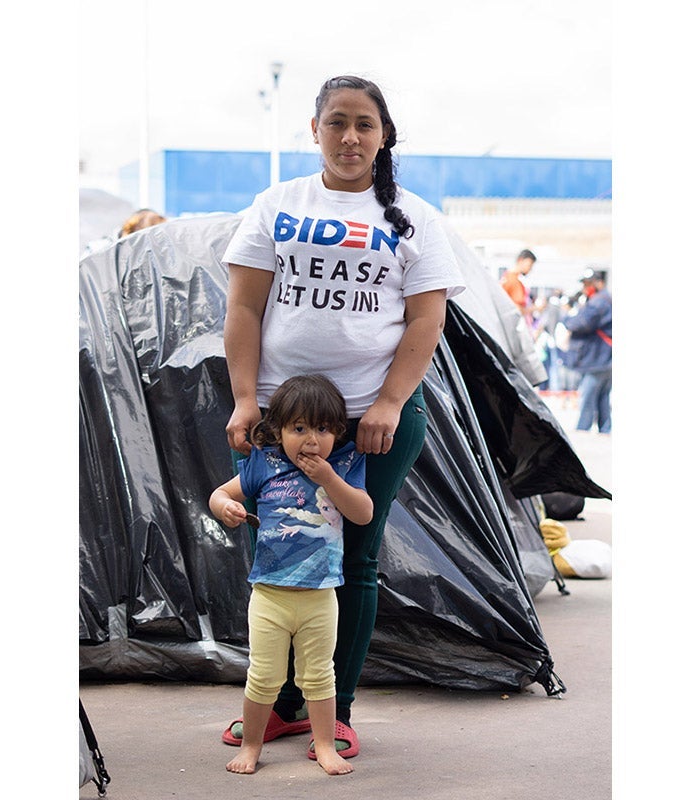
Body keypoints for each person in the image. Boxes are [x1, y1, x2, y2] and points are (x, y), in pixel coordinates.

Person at [218, 74, 466, 760]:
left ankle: (336, 707)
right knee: (280, 555)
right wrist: (245, 401)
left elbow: (427, 317)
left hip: (371, 421)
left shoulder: (414, 217)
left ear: (384, 134)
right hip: (278, 418)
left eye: (364, 124)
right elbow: (243, 308)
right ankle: (284, 706)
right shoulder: (276, 205)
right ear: (315, 129)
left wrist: (388, 402)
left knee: (353, 559)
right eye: (337, 122)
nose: (350, 136)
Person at [210, 375, 372, 776]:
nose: (311, 440)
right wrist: (223, 507)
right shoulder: (265, 464)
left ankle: (323, 746)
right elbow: (221, 493)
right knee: (263, 675)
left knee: (319, 675)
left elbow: (363, 513)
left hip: (320, 596)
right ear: (278, 431)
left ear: (337, 431)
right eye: (299, 428)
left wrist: (328, 479)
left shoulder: (344, 465)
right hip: (270, 594)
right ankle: (251, 745)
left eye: (322, 429)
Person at [562, 267, 612, 433]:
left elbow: (580, 323)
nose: (586, 288)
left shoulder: (598, 302)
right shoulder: (606, 299)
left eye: (588, 284)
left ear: (598, 283)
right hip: (605, 358)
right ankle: (605, 428)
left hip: (598, 359)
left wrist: (568, 316)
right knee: (603, 395)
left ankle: (583, 429)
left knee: (589, 394)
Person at [500, 249, 537, 327]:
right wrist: (534, 309)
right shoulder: (513, 280)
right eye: (529, 265)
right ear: (520, 261)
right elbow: (516, 308)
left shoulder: (508, 277)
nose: (530, 269)